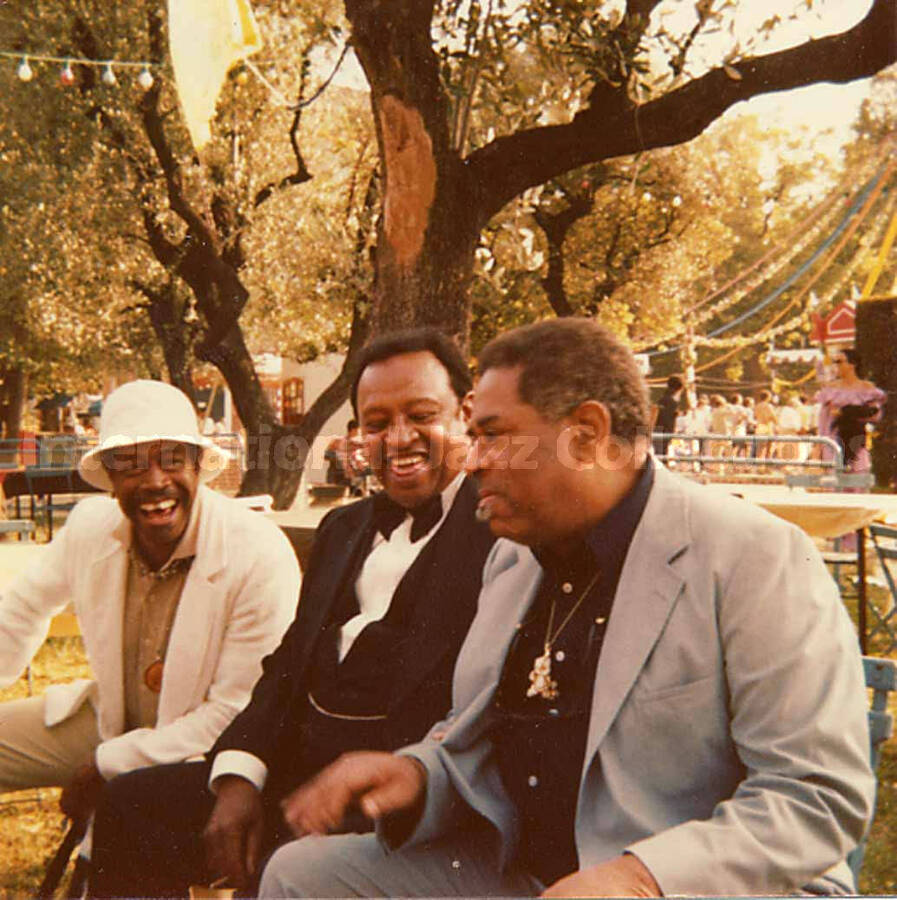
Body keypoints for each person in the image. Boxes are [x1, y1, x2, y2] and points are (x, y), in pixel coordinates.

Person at [260, 318, 873, 898]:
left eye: (493, 435)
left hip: (694, 886)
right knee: (303, 877)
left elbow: (815, 795)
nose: (472, 461)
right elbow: (479, 746)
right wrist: (420, 777)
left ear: (586, 433)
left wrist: (638, 878)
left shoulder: (751, 556)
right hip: (538, 875)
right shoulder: (514, 559)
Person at [88, 328, 497, 897]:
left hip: (402, 807)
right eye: (377, 423)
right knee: (133, 807)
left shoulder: (502, 533)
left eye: (422, 414)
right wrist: (239, 775)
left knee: (289, 868)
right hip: (290, 780)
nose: (399, 438)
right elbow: (285, 669)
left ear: (467, 413)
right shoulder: (343, 529)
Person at [0, 380, 300, 825]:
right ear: (111, 478)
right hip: (111, 721)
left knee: (133, 855)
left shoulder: (257, 551)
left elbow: (236, 713)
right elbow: (21, 610)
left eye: (172, 459)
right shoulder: (91, 526)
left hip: (207, 754)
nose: (155, 482)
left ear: (199, 465)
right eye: (131, 465)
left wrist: (108, 766)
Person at [816, 348, 886, 473]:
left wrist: (849, 412)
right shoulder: (831, 388)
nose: (836, 365)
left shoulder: (867, 388)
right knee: (834, 481)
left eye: (839, 361)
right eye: (834, 362)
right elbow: (823, 420)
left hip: (857, 439)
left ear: (852, 364)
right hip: (834, 440)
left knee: (858, 477)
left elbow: (875, 414)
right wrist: (821, 443)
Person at [651, 375, 683, 458]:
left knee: (660, 453)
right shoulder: (672, 402)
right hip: (665, 429)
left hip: (659, 429)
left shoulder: (663, 399)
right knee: (662, 453)